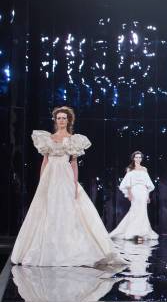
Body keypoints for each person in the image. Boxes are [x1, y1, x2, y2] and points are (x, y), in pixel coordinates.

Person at [11, 106, 126, 267]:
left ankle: (70, 248)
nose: (61, 120)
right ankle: (47, 248)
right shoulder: (47, 138)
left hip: (64, 175)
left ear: (68, 120)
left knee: (67, 208)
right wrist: (42, 180)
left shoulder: (73, 140)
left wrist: (74, 183)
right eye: (59, 118)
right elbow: (45, 161)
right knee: (47, 209)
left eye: (64, 118)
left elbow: (73, 163)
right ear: (55, 120)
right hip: (50, 176)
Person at [110, 151, 158, 241]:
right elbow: (127, 183)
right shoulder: (130, 169)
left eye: (140, 157)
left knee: (143, 211)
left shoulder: (144, 169)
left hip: (143, 191)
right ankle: (132, 231)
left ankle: (142, 232)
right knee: (134, 210)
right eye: (137, 157)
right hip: (135, 191)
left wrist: (148, 196)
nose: (138, 159)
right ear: (133, 158)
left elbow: (148, 184)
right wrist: (129, 194)